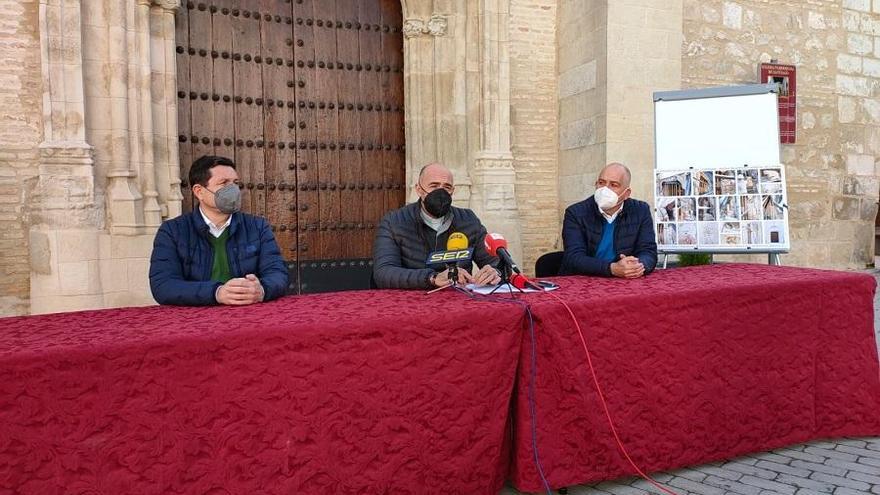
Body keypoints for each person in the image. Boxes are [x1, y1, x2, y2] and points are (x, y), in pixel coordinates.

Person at [149, 155, 289, 305]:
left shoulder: (257, 226)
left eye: (235, 183)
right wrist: (216, 293)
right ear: (199, 191)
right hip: (195, 319)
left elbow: (278, 273)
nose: (233, 189)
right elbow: (163, 285)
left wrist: (261, 290)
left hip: (248, 314)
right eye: (224, 183)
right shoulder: (172, 231)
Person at [372, 162, 501, 289]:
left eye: (447, 187)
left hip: (459, 299)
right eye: (434, 186)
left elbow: (497, 263)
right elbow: (383, 273)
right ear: (419, 190)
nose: (440, 192)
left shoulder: (468, 220)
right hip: (412, 302)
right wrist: (432, 278)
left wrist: (495, 272)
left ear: (453, 191)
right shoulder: (394, 222)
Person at [560, 162, 657, 278]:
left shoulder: (641, 210)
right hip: (582, 281)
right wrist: (612, 268)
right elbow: (574, 257)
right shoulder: (576, 213)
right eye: (601, 183)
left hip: (625, 282)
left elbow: (648, 251)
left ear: (626, 194)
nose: (605, 189)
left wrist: (637, 266)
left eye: (613, 185)